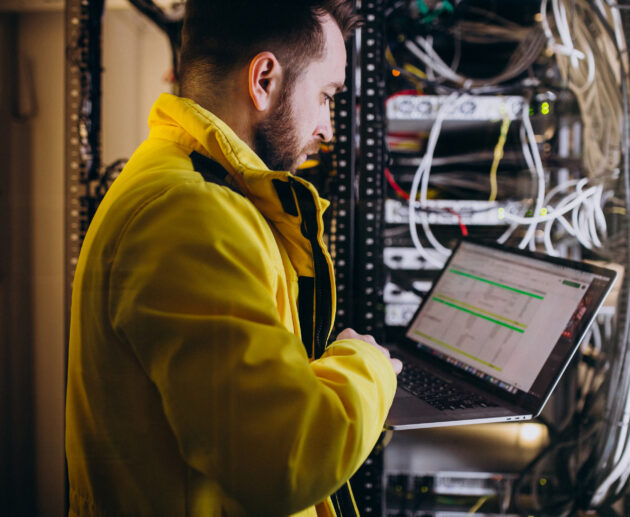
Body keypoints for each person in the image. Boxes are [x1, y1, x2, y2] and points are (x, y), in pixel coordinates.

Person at [65, 1, 402, 515]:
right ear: (264, 79)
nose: (329, 129)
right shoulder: (189, 213)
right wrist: (370, 365)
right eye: (326, 96)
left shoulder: (192, 185)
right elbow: (285, 457)